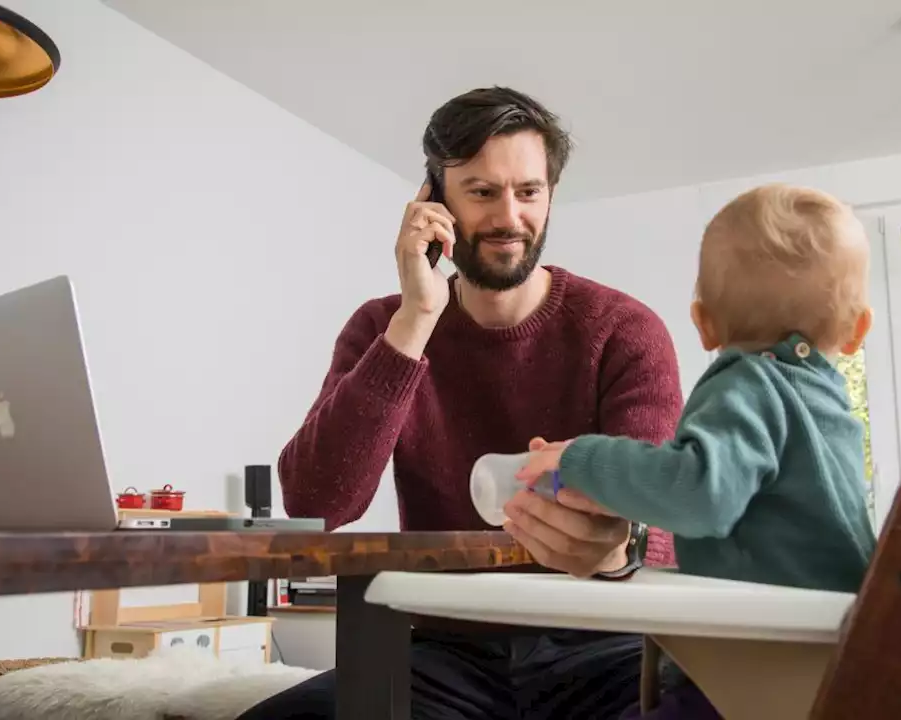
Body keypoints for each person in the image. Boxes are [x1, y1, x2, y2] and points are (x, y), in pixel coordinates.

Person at [253, 86, 684, 719]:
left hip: (605, 643)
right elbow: (315, 500)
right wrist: (416, 319)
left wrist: (620, 547)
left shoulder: (624, 330)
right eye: (482, 192)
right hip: (441, 650)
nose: (509, 216)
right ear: (435, 202)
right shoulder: (384, 326)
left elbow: (661, 525)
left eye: (528, 192)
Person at [518, 183, 879, 719]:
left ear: (704, 323)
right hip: (829, 659)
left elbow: (697, 491)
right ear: (857, 332)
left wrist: (580, 459)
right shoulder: (826, 407)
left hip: (761, 673)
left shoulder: (749, 386)